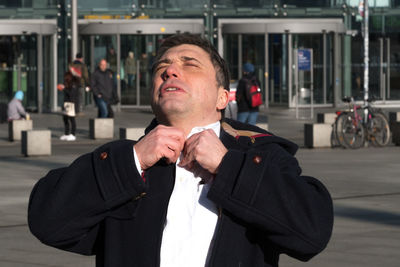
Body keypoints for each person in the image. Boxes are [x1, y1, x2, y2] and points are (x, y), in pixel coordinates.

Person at [28, 34, 333, 267]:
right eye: (163, 66)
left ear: (221, 97)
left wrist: (229, 167)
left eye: (189, 64)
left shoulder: (263, 156)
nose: (170, 71)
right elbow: (48, 222)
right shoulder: (123, 162)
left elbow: (311, 233)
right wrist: (132, 160)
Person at [59, 67, 80, 141]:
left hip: (72, 104)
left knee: (72, 119)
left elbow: (71, 94)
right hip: (67, 104)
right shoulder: (68, 85)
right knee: (65, 119)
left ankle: (73, 134)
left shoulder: (74, 84)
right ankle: (66, 133)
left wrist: (64, 88)